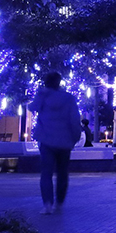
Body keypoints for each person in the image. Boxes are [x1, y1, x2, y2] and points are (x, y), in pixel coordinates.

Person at [28, 72, 82, 214]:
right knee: (62, 172)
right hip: (65, 141)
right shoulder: (69, 98)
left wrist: (41, 94)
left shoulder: (43, 97)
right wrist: (75, 137)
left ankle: (47, 204)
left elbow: (32, 108)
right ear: (59, 82)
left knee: (46, 173)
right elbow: (74, 119)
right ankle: (59, 202)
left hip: (46, 140)